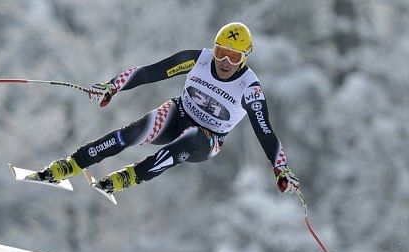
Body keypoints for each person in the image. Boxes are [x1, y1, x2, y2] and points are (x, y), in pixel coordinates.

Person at [35, 22, 300, 195]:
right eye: (221, 52)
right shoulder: (198, 59)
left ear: (245, 58)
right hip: (179, 114)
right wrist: (112, 86)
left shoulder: (249, 88)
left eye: (234, 57)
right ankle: (69, 165)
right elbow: (152, 71)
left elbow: (264, 131)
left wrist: (281, 167)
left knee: (187, 141)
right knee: (132, 133)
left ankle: (127, 178)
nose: (224, 61)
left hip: (208, 139)